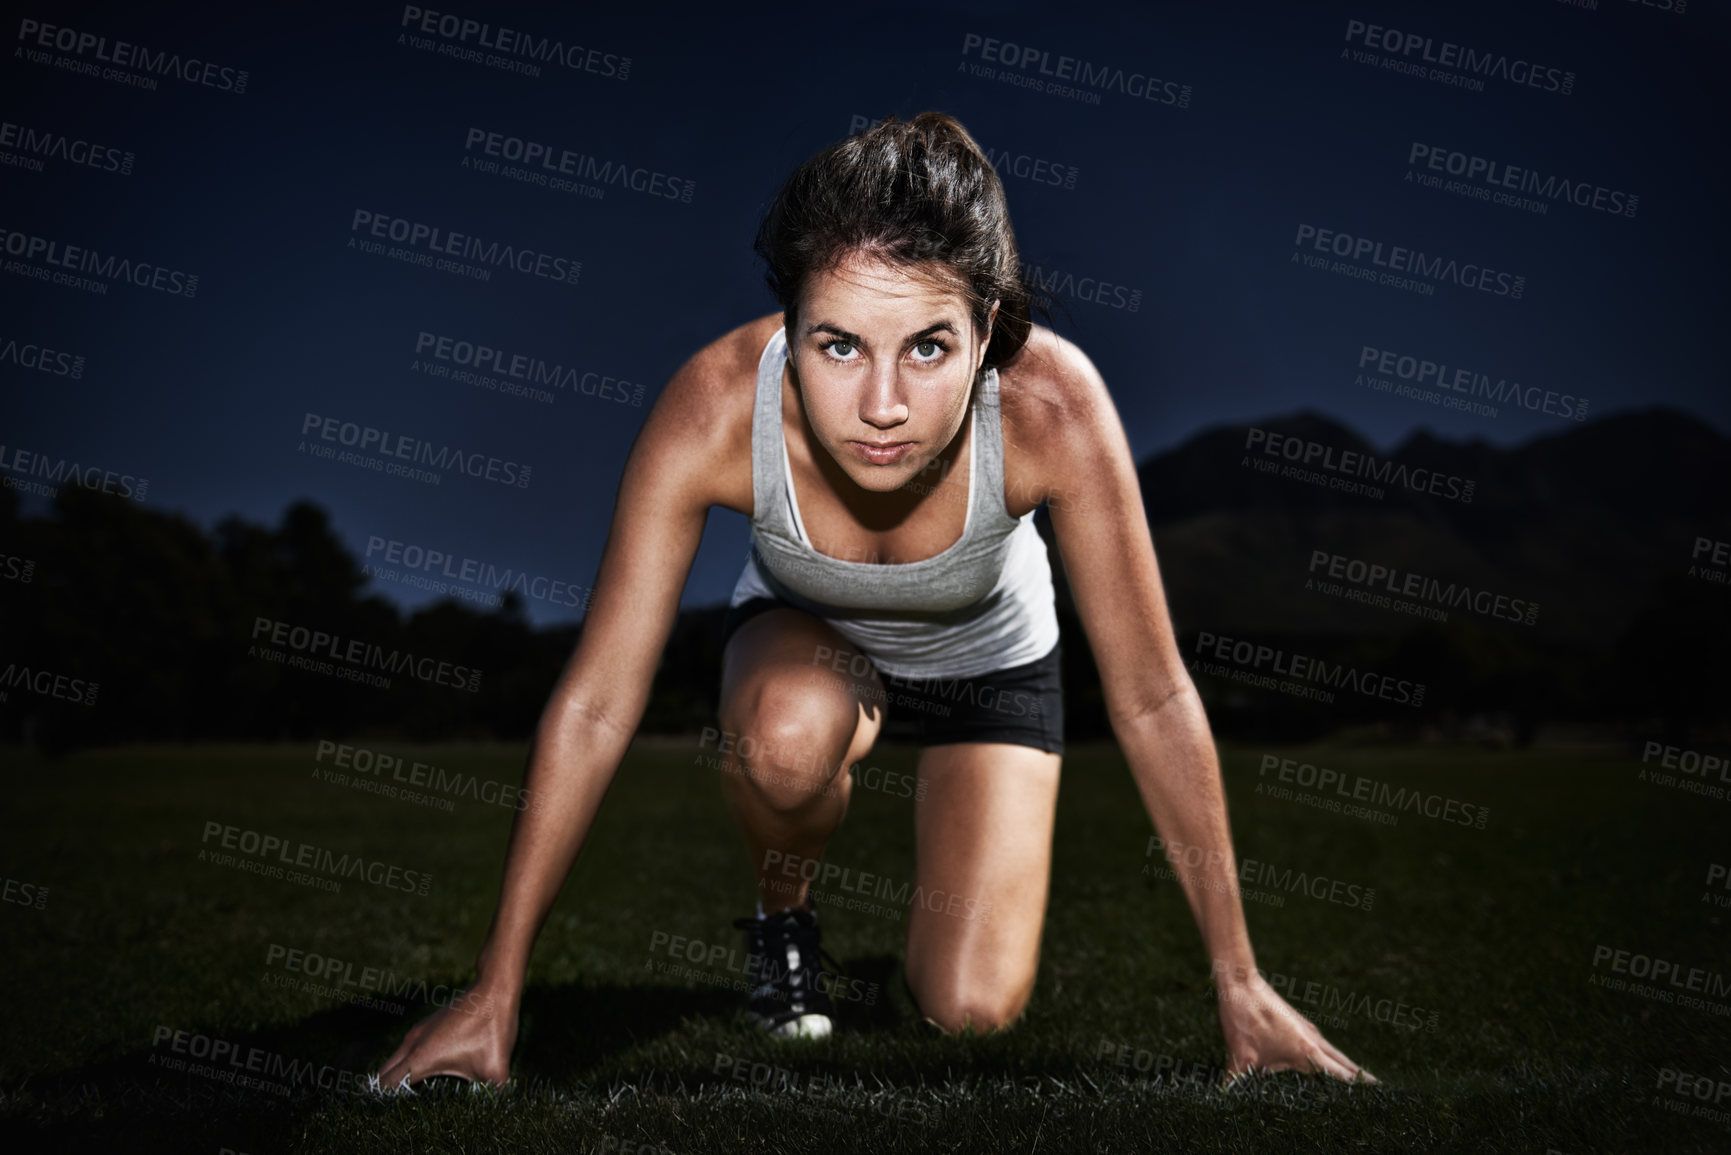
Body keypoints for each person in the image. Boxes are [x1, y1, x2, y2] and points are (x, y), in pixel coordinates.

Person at [373, 111, 1373, 1089]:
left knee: (971, 1010)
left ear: (986, 330)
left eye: (928, 347)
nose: (883, 405)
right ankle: (784, 923)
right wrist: (497, 988)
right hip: (813, 650)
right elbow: (595, 701)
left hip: (994, 673)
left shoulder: (1052, 408)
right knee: (786, 738)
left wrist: (1240, 985)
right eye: (839, 345)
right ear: (789, 325)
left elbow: (1153, 697)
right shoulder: (718, 407)